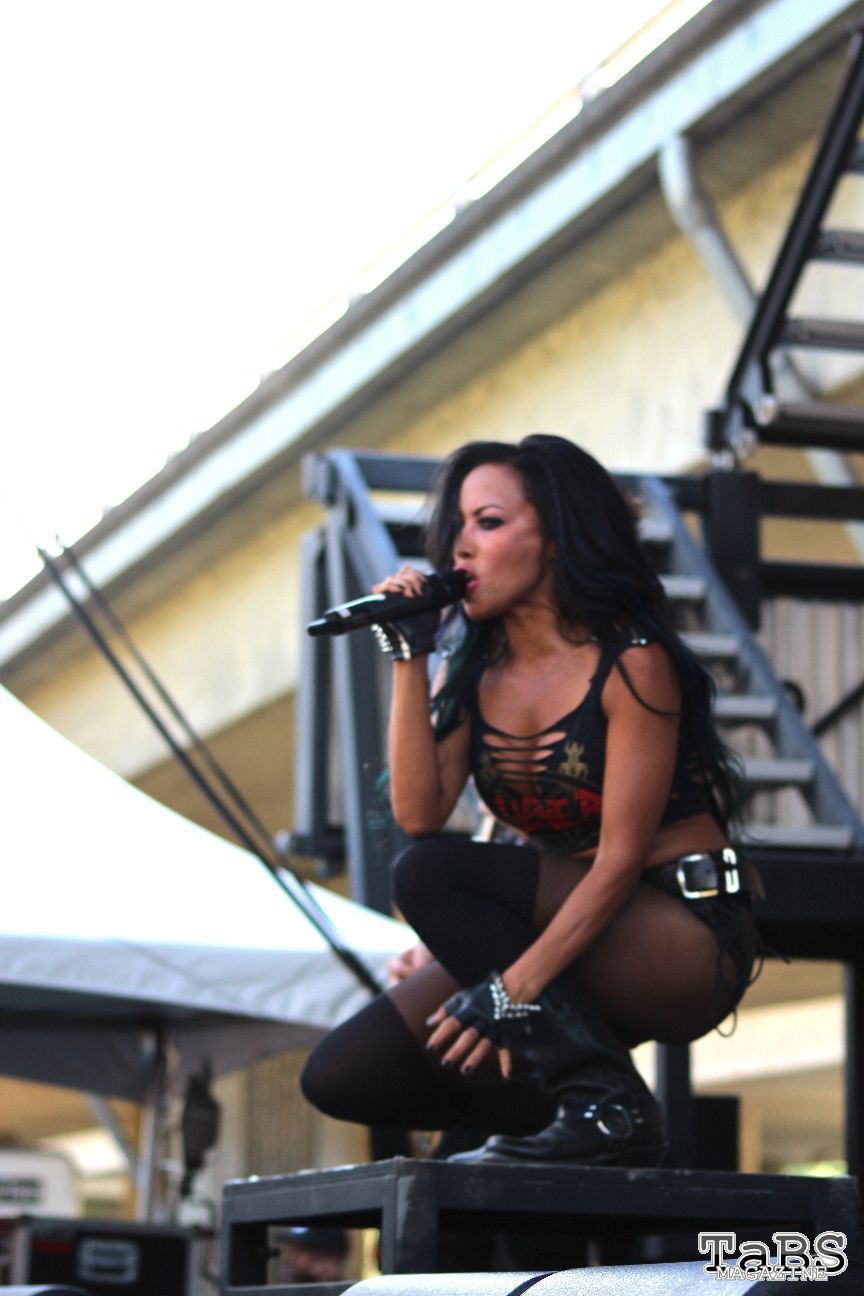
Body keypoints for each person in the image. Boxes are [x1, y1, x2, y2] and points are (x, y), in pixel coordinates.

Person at [301, 434, 762, 1166]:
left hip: (677, 937)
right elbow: (419, 814)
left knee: (430, 876)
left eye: (487, 522)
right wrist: (410, 657)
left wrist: (508, 991)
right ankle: (561, 1106)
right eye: (456, 527)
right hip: (569, 941)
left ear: (555, 538)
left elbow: (617, 863)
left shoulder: (631, 661)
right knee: (347, 1076)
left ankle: (607, 1100)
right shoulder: (474, 668)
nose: (461, 547)